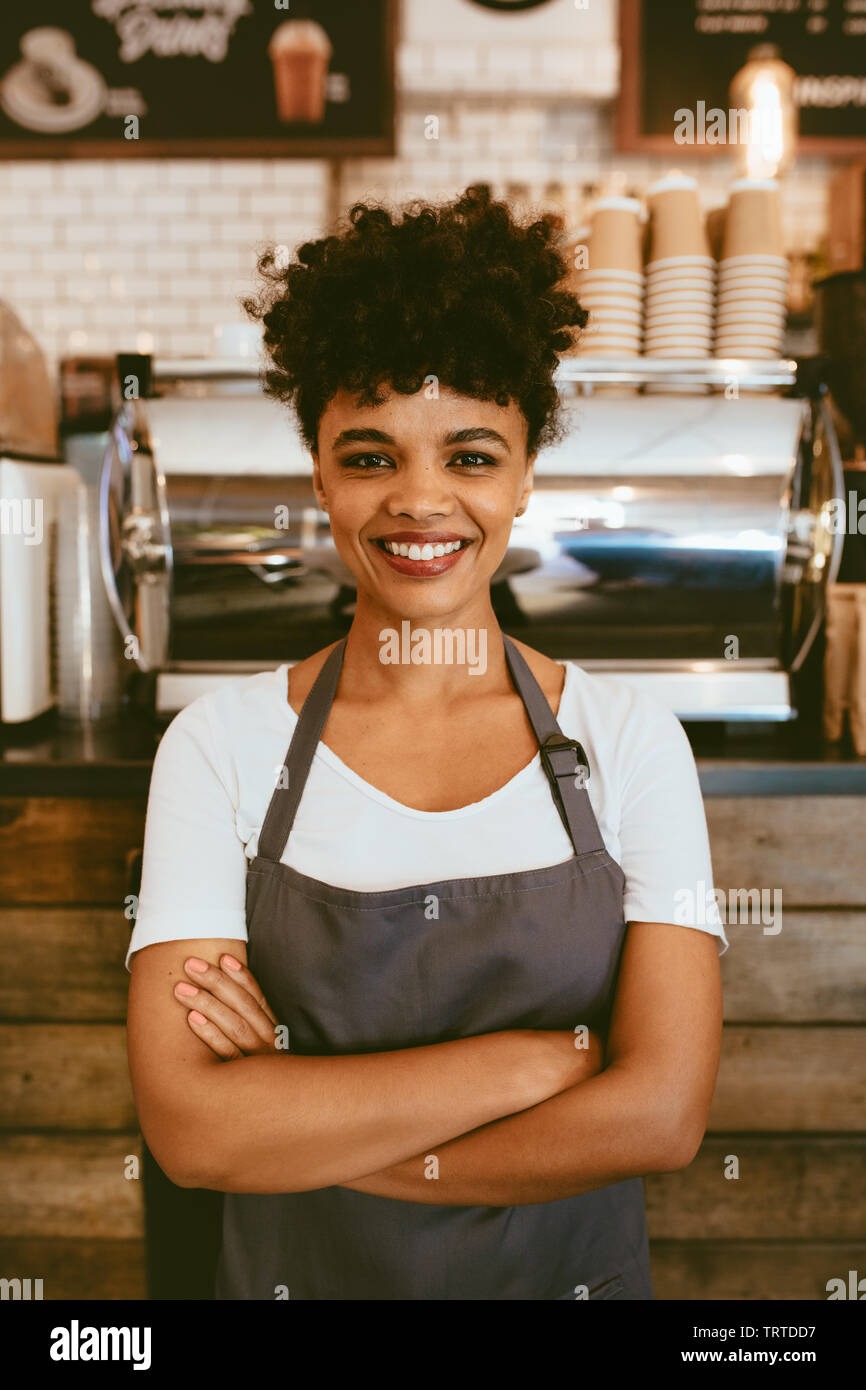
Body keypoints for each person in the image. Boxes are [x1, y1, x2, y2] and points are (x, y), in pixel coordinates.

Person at [126, 184, 726, 1301]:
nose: (419, 500)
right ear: (315, 470)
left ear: (523, 476)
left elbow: (661, 1115)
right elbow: (196, 1136)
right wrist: (543, 1060)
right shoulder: (215, 748)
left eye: (469, 455)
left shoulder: (629, 740)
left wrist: (306, 1117)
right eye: (368, 457)